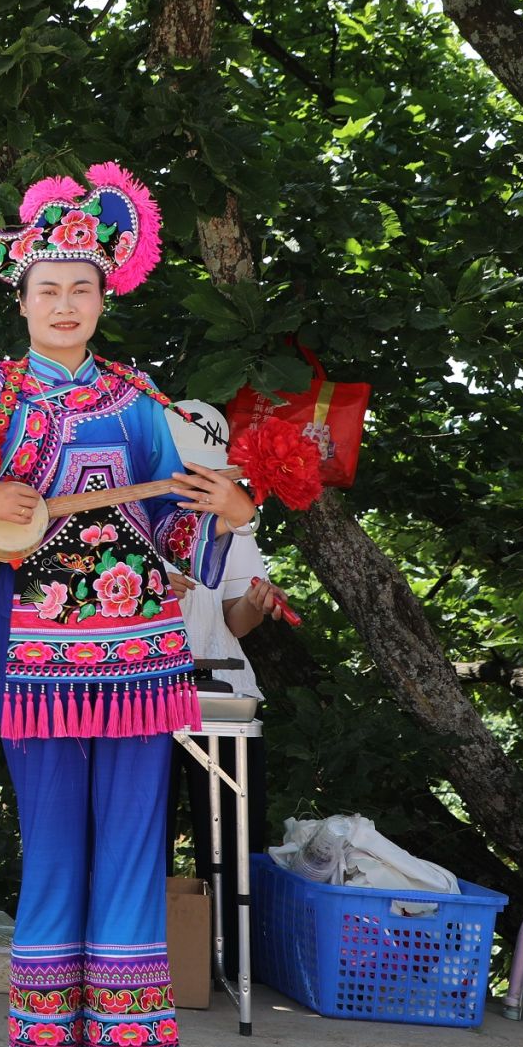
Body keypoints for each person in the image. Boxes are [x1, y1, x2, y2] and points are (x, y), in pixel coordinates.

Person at [0, 163, 256, 1047]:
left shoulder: (140, 398)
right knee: (53, 842)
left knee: (132, 846)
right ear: (20, 298)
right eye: (48, 288)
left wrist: (232, 511)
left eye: (81, 287)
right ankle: (44, 1039)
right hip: (39, 658)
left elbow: (176, 526)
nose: (65, 304)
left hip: (142, 658)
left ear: (105, 297)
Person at [164, 400, 287, 973]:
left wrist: (257, 603)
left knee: (234, 838)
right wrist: (149, 587)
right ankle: (145, 957)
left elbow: (234, 620)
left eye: (209, 472)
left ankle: (232, 962)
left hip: (221, 687)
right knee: (144, 833)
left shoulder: (232, 519)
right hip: (142, 688)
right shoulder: (128, 512)